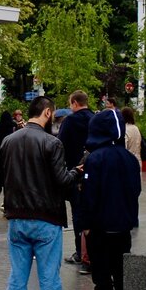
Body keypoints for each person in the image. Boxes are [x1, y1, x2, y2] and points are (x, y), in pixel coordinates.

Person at [0, 96, 80, 290]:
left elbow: (2, 178)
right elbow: (62, 180)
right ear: (47, 113)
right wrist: (77, 172)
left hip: (17, 217)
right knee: (49, 277)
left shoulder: (9, 141)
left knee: (17, 275)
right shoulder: (51, 143)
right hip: (46, 218)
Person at [77, 110, 141, 290]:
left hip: (100, 229)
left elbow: (90, 196)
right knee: (121, 277)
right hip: (122, 228)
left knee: (102, 278)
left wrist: (85, 225)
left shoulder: (95, 158)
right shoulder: (130, 159)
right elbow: (136, 191)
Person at [58, 91, 94, 267]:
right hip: (94, 172)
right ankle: (91, 251)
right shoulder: (95, 119)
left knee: (78, 213)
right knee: (92, 213)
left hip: (75, 172)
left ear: (74, 103)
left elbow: (60, 146)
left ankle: (80, 252)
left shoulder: (69, 121)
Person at [0, 109, 16, 202]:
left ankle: (6, 201)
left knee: (4, 181)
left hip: (1, 159)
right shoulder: (13, 130)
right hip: (12, 160)